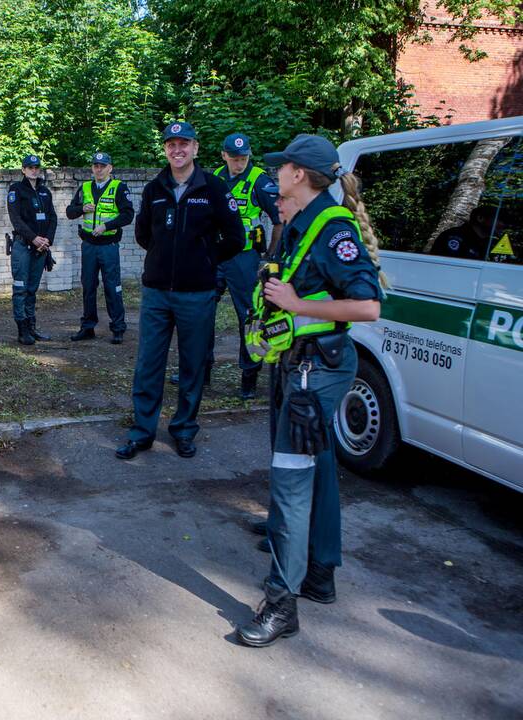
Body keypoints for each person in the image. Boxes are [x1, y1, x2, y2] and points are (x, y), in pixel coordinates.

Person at [237, 134, 385, 647]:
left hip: (314, 375)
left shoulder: (331, 228)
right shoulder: (300, 224)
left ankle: (281, 605)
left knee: (291, 487)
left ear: (299, 173)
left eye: (282, 168)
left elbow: (367, 307)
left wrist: (299, 305)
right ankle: (320, 575)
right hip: (300, 368)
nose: (275, 174)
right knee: (318, 474)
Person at [115, 121, 245, 461]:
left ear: (196, 148)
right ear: (165, 150)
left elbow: (236, 238)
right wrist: (164, 257)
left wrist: (204, 259)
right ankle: (142, 433)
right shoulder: (154, 188)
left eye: (184, 144)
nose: (177, 150)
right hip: (157, 292)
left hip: (197, 294)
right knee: (148, 365)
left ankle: (184, 430)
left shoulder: (214, 188)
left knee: (192, 366)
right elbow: (143, 234)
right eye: (171, 144)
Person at [210, 133, 282, 399]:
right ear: (224, 155)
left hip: (244, 258)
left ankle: (249, 376)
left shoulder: (259, 181)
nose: (240, 163)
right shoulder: (215, 178)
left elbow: (279, 220)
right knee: (202, 310)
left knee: (248, 318)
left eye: (244, 158)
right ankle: (200, 369)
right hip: (216, 255)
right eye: (235, 158)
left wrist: (270, 257)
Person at [66, 152, 135, 344]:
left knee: (113, 287)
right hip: (88, 246)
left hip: (108, 245)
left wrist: (106, 226)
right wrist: (81, 209)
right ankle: (88, 327)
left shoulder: (119, 188)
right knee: (88, 287)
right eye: (96, 166)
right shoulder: (85, 188)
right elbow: (69, 212)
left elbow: (128, 215)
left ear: (110, 168)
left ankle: (118, 328)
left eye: (102, 166)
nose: (99, 169)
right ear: (92, 168)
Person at [6, 154, 58, 345]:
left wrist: (47, 241)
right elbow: (16, 220)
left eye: (36, 167)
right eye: (30, 167)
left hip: (41, 248)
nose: (34, 170)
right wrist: (34, 238)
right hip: (23, 246)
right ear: (23, 170)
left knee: (32, 290)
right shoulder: (16, 190)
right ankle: (22, 329)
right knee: (20, 288)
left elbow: (53, 218)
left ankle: (32, 327)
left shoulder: (45, 192)